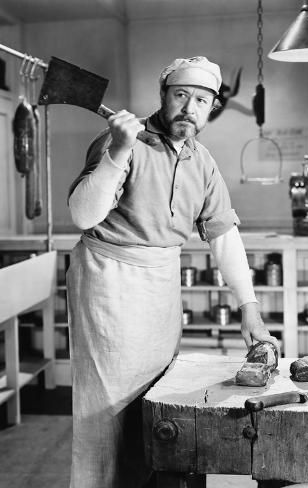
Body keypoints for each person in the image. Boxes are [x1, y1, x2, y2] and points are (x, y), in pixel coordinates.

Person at [66, 56, 280, 488]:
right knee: (106, 408)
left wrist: (249, 306)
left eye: (202, 100)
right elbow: (82, 215)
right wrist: (119, 151)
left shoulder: (203, 161)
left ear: (212, 108)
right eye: (181, 95)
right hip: (108, 278)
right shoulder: (119, 140)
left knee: (155, 394)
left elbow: (223, 236)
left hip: (161, 283)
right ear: (163, 96)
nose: (189, 107)